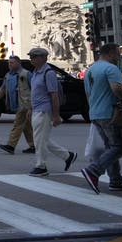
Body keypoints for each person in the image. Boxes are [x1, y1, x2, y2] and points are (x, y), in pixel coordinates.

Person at [79, 43, 122, 193]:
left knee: (111, 147)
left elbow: (88, 94)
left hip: (95, 113)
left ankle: (116, 180)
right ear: (110, 53)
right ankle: (93, 171)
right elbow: (116, 88)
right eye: (117, 54)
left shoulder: (90, 69)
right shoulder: (111, 68)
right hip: (111, 112)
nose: (119, 57)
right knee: (120, 146)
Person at [26, 47, 77, 177]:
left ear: (43, 58)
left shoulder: (48, 73)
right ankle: (67, 156)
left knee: (39, 140)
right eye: (31, 57)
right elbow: (34, 93)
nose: (31, 59)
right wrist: (30, 109)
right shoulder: (36, 72)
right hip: (36, 109)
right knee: (43, 139)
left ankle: (41, 166)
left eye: (34, 57)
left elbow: (53, 95)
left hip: (44, 110)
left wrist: (55, 115)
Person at [0, 56, 36, 154]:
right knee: (26, 126)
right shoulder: (8, 75)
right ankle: (33, 146)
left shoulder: (26, 74)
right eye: (9, 63)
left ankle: (11, 146)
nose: (9, 64)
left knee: (18, 124)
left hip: (25, 105)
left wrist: (32, 105)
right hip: (16, 104)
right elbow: (2, 88)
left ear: (18, 63)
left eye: (12, 63)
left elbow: (35, 89)